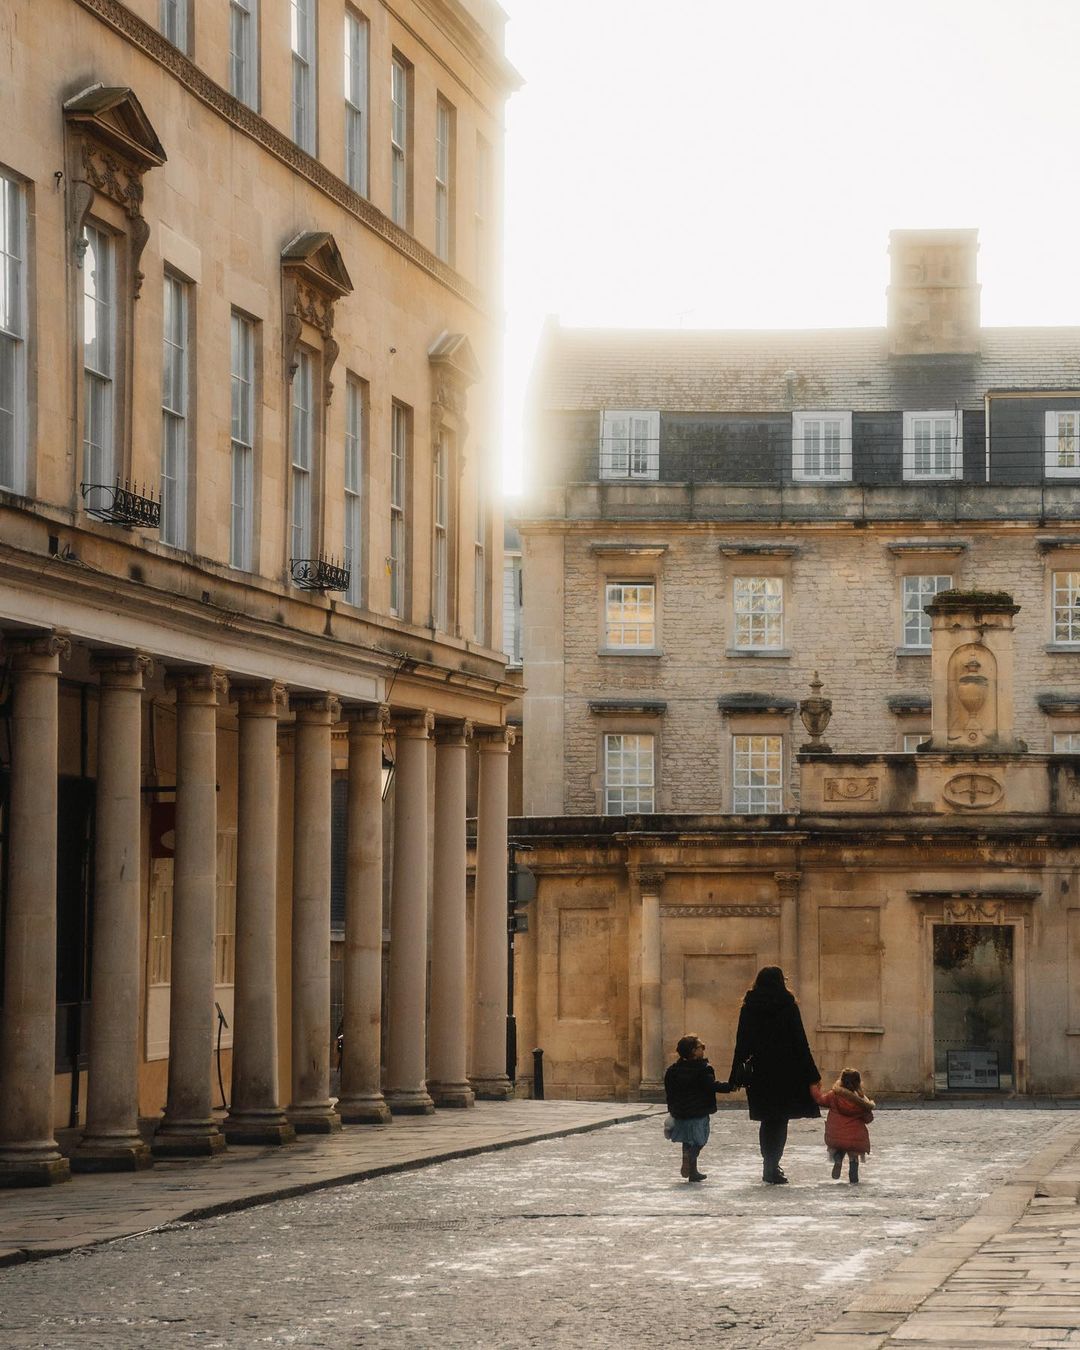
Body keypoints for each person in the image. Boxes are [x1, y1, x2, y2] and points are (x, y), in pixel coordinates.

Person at [728, 966, 821, 1185]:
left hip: (760, 1072)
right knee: (780, 1120)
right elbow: (800, 1043)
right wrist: (812, 1074)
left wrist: (735, 1074)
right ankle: (772, 1164)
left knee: (767, 1120)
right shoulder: (788, 1006)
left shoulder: (749, 1007)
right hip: (786, 1071)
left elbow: (741, 1043)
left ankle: (768, 1164)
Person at [663, 1034, 732, 1183]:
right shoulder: (703, 1069)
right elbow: (711, 1086)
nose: (704, 1049)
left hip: (680, 1112)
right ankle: (690, 1159)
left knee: (687, 1140)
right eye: (702, 1047)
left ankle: (692, 1171)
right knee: (701, 1139)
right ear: (694, 1051)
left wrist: (673, 1109)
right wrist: (730, 1086)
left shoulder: (672, 1070)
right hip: (699, 1111)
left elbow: (669, 1092)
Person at [811, 1068, 875, 1184]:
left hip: (836, 1134)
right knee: (854, 1158)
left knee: (839, 1149)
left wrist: (814, 1087)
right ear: (858, 1083)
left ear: (841, 1080)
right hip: (856, 1137)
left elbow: (820, 1100)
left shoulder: (834, 1096)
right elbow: (868, 1119)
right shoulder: (861, 1101)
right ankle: (853, 1179)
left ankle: (838, 1159)